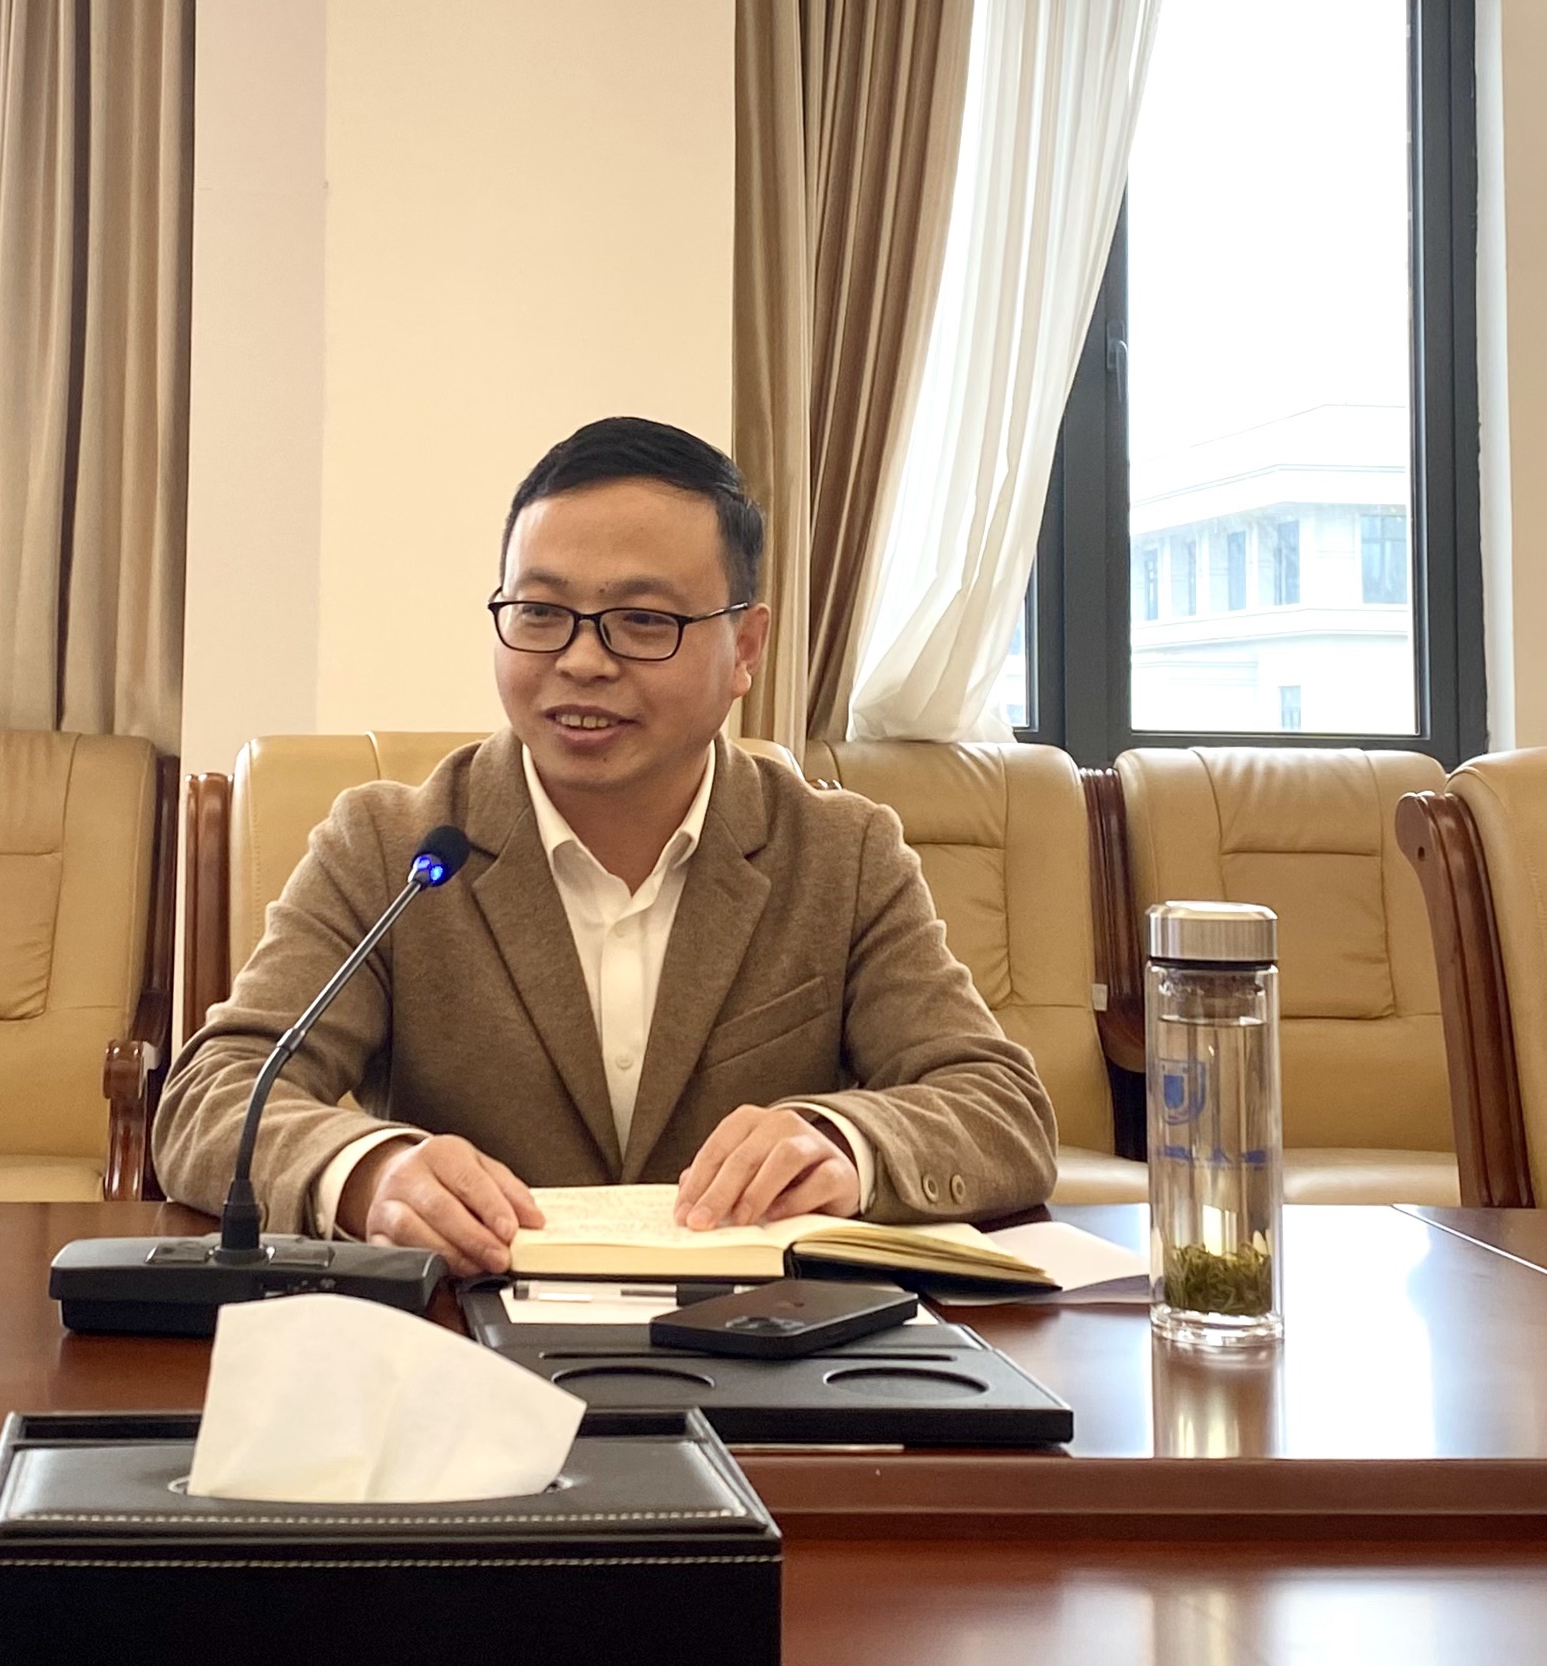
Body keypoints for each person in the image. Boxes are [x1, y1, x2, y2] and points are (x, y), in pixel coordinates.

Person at [153, 417, 1057, 1276]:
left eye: (643, 621)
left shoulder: (839, 854)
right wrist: (369, 1174)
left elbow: (999, 1106)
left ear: (745, 647)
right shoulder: (395, 848)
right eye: (539, 612)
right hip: (466, 1339)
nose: (581, 661)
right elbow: (214, 1094)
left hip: (761, 1337)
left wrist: (843, 1144)